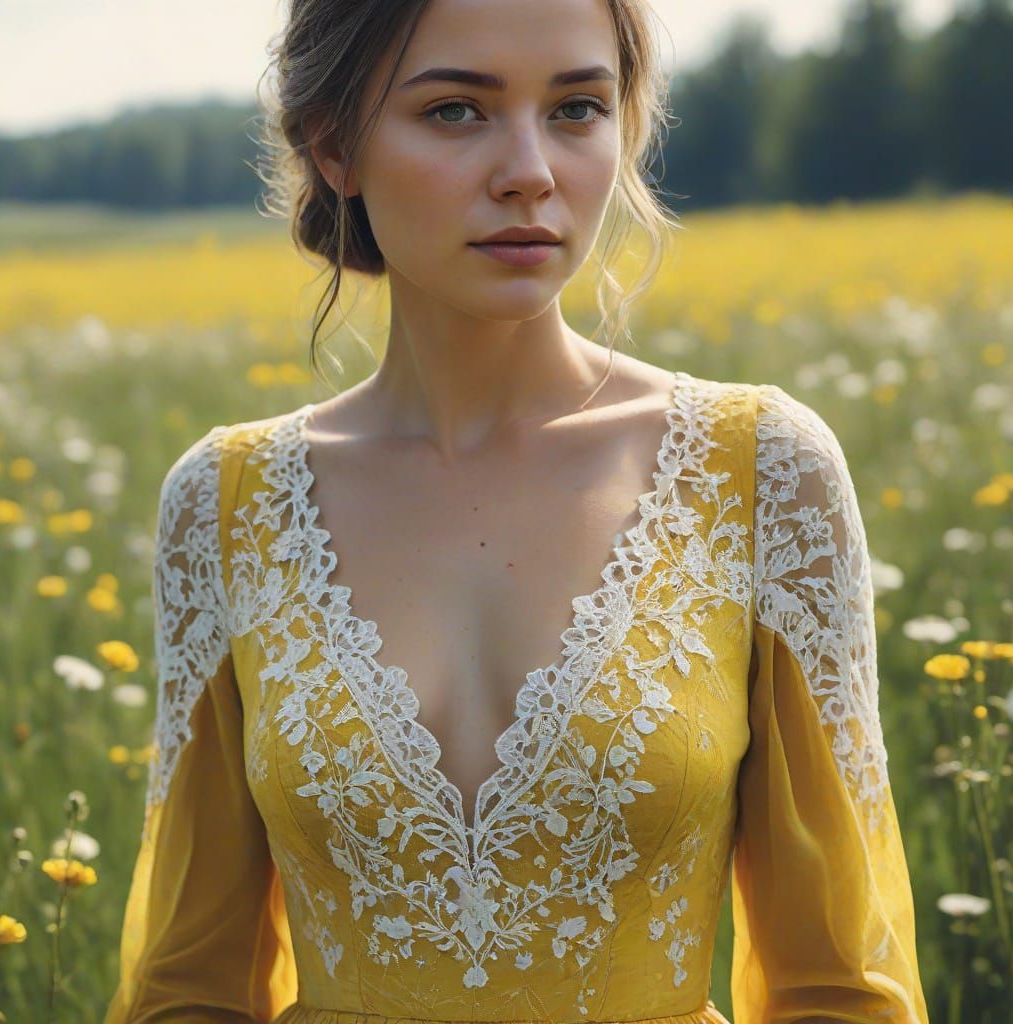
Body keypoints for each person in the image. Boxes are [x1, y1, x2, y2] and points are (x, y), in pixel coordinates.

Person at [104, 1, 930, 1022]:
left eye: (578, 108)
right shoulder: (225, 504)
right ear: (332, 144)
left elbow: (837, 985)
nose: (530, 170)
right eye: (456, 112)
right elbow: (192, 985)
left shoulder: (762, 473)